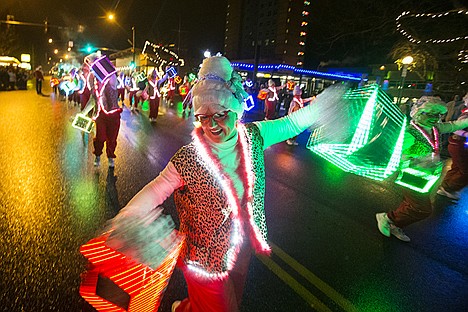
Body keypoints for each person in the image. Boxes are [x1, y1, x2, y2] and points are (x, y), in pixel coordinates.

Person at [110, 56, 321, 312]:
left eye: (219, 115)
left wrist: (324, 109)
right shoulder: (189, 157)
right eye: (203, 117)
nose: (211, 125)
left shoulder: (254, 136)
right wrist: (128, 216)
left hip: (239, 246)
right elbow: (157, 188)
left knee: (227, 300)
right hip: (203, 258)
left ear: (235, 111)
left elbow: (290, 124)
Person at [376, 97, 468, 242]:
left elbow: (453, 125)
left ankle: (394, 222)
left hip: (427, 176)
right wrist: (415, 160)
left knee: (411, 204)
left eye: (438, 115)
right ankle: (388, 219)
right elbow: (396, 154)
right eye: (430, 114)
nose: (435, 118)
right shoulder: (410, 132)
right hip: (410, 176)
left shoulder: (436, 128)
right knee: (423, 209)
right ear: (418, 113)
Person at [91, 59, 123, 168]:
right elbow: (92, 101)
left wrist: (102, 62)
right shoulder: (94, 85)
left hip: (113, 116)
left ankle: (110, 156)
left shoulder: (112, 81)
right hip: (101, 116)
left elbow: (112, 74)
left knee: (112, 138)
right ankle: (98, 155)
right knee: (100, 137)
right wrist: (83, 112)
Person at [437, 92, 468, 200]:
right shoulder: (466, 114)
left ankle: (446, 187)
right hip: (459, 145)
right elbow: (457, 128)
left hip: (459, 145)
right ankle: (449, 188)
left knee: (457, 167)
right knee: (465, 171)